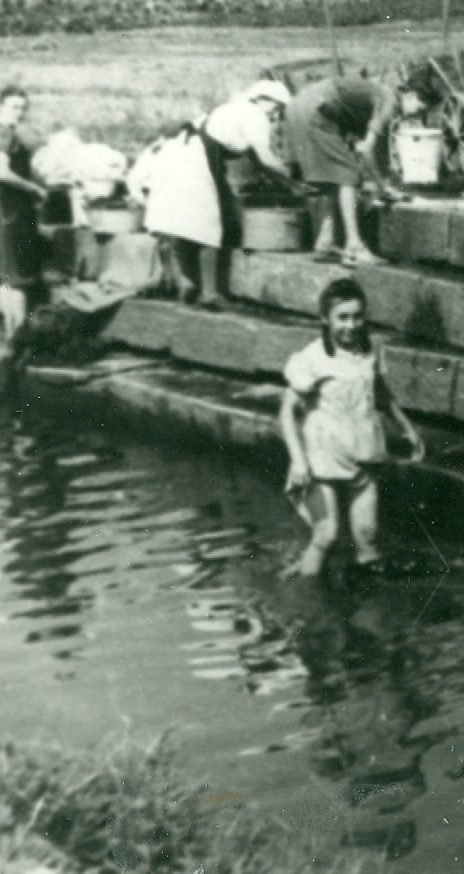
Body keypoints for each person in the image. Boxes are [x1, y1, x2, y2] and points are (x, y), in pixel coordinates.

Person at [280, 277, 425, 579]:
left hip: (363, 453)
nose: (351, 325)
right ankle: (309, 603)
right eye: (342, 318)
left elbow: (381, 393)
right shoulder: (312, 359)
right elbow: (286, 413)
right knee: (327, 535)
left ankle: (367, 609)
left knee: (368, 535)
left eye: (358, 316)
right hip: (323, 459)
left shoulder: (369, 350)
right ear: (325, 319)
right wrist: (298, 460)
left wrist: (406, 427)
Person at [143, 80, 294, 307]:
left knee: (183, 222)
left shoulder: (232, 109)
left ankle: (187, 283)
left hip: (176, 154)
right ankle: (210, 294)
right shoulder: (254, 115)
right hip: (194, 159)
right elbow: (265, 159)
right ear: (263, 99)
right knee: (207, 225)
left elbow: (257, 161)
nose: (276, 115)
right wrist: (295, 179)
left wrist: (280, 180)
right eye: (277, 108)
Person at [284, 72, 432, 265]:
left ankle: (325, 242)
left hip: (300, 106)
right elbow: (367, 148)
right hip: (318, 109)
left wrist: (382, 186)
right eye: (419, 109)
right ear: (410, 96)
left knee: (333, 177)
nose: (417, 115)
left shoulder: (377, 97)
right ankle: (354, 247)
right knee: (348, 176)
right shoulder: (390, 100)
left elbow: (369, 153)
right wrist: (381, 187)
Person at [0, 86, 47, 341]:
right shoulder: (2, 132)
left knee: (5, 275)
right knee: (17, 275)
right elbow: (3, 172)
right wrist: (34, 188)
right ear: (0, 105)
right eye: (14, 107)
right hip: (9, 206)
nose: (19, 112)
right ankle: (18, 336)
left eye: (23, 108)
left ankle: (11, 336)